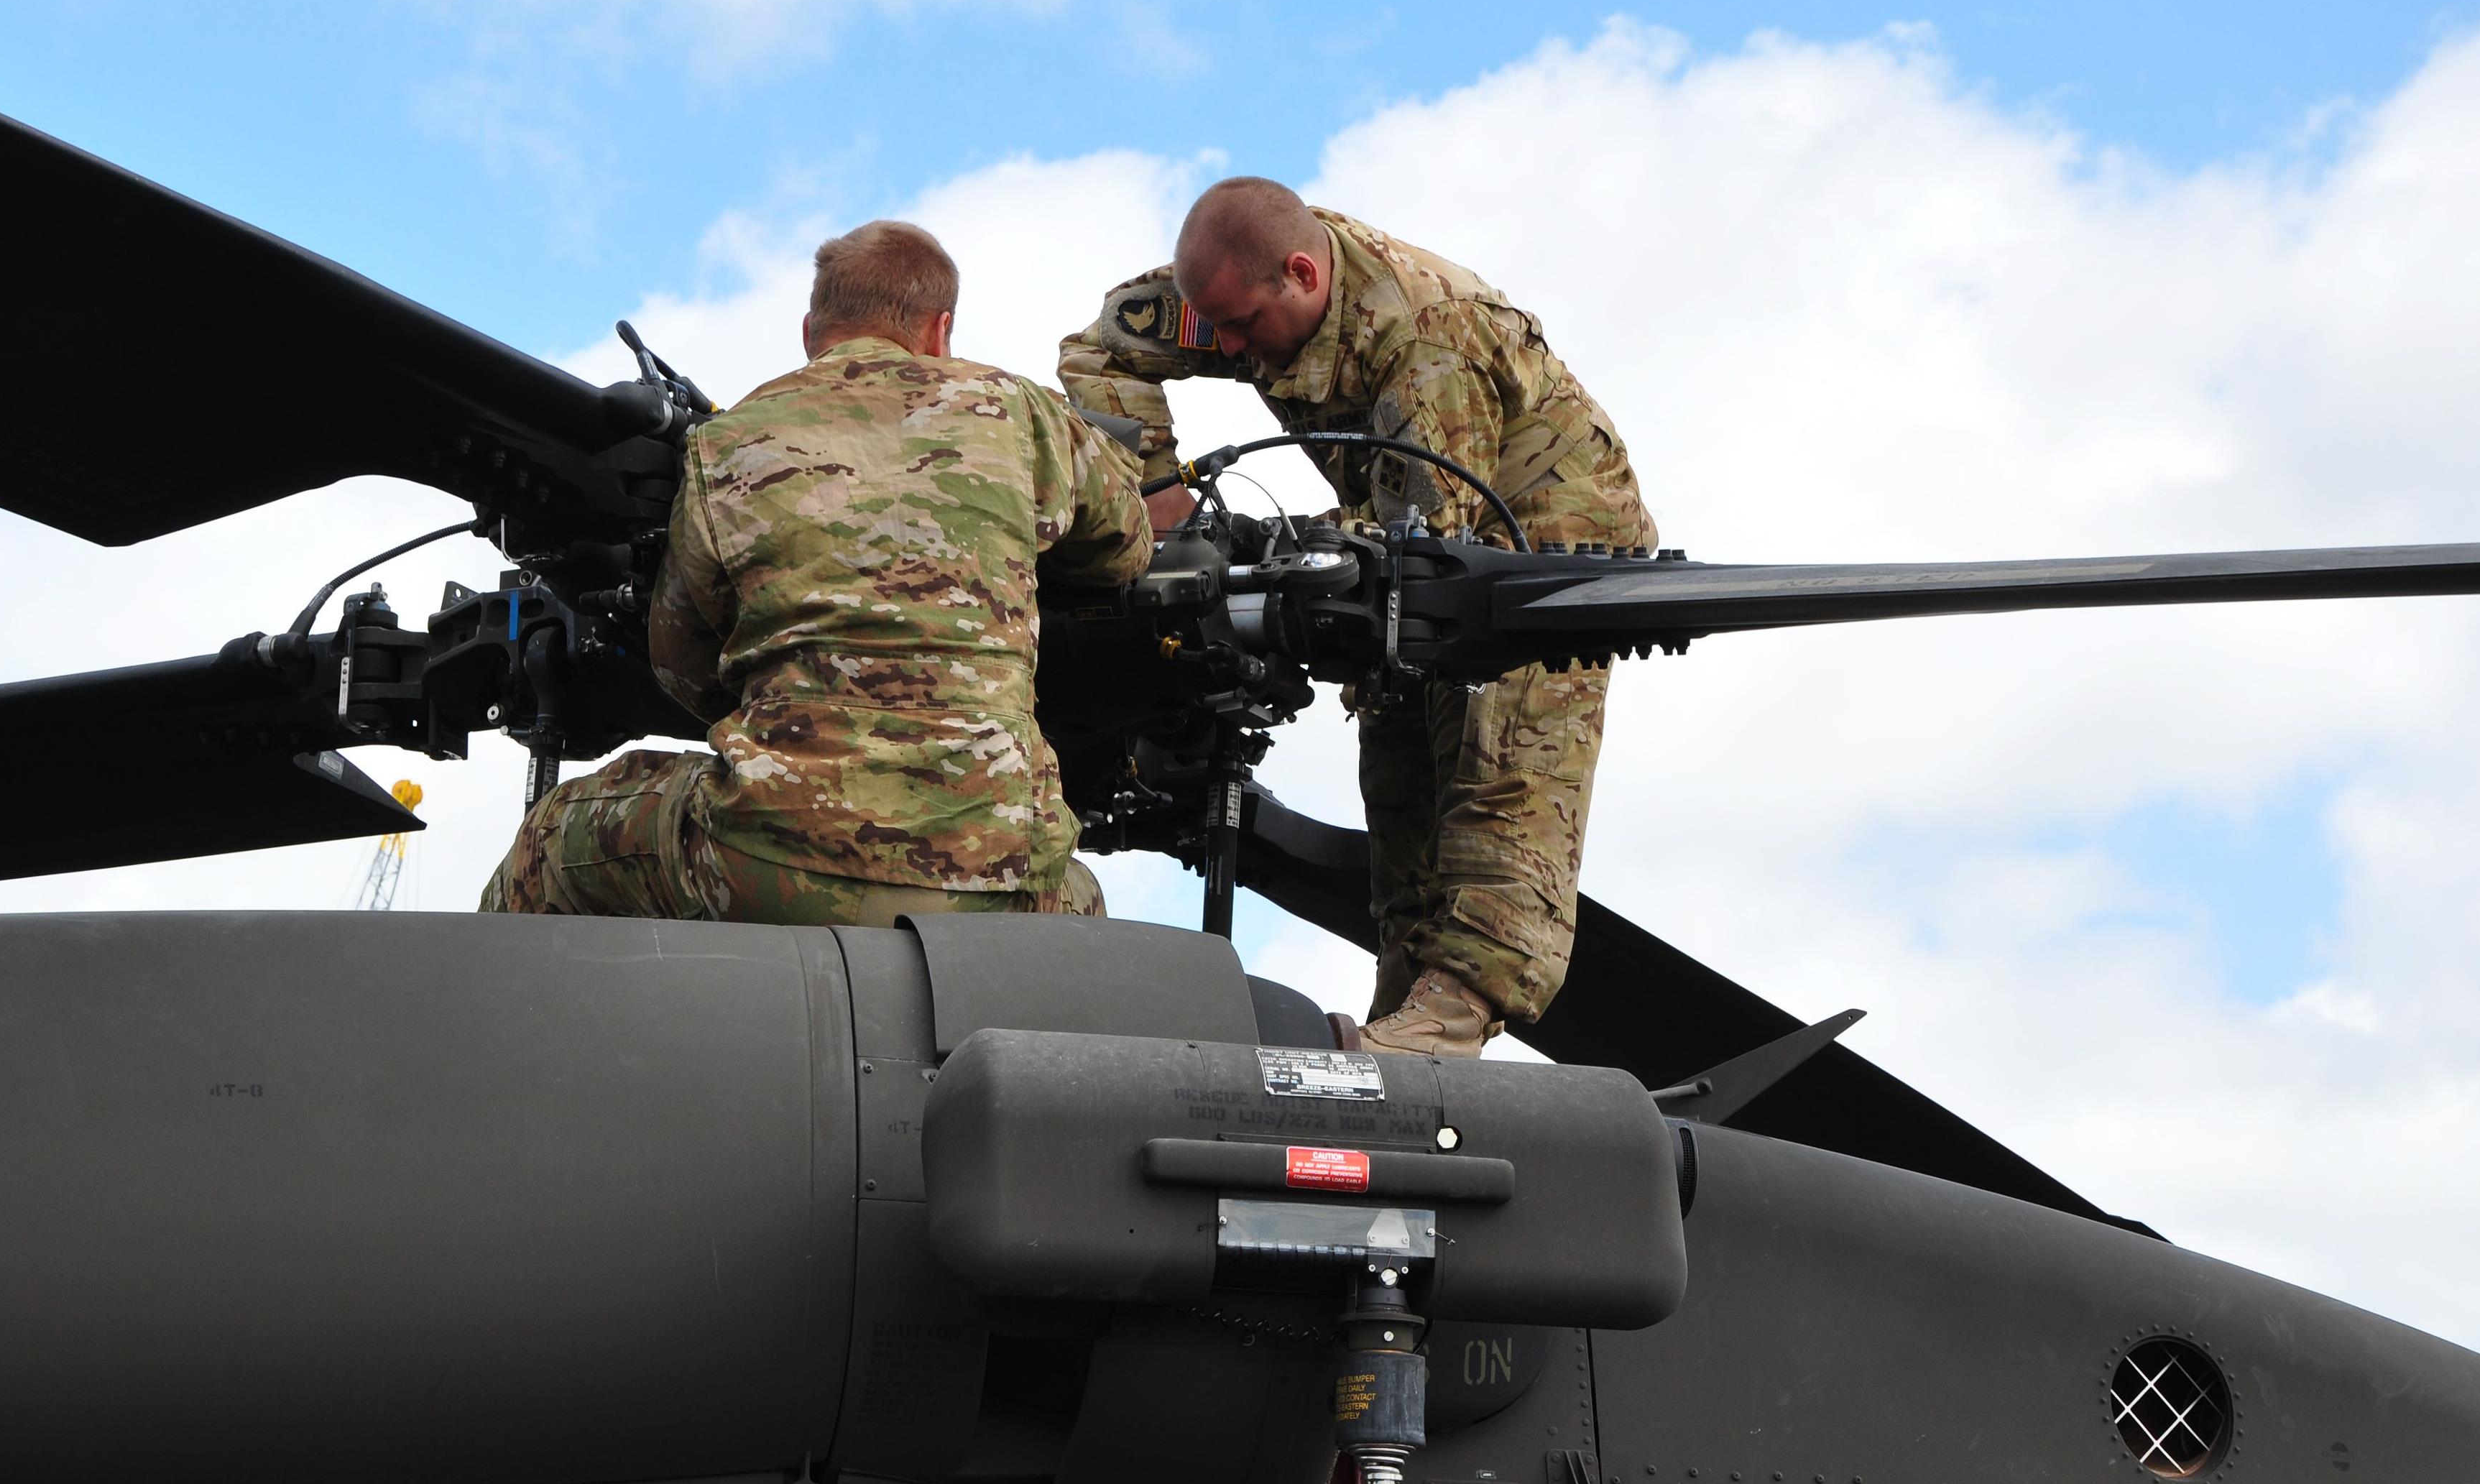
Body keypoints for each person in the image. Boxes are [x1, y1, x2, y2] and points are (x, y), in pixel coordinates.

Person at [1059, 178, 1655, 1056]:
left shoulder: (1427, 336)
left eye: (1243, 327)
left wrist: (1262, 547)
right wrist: (1157, 498)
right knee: (1397, 766)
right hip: (1407, 527)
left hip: (1538, 546)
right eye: (1216, 328)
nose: (1231, 349)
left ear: (1302, 275)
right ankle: (1402, 1005)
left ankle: (1457, 1012)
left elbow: (1425, 531)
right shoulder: (1239, 293)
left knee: (1497, 765)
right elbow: (1099, 351)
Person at [481, 220, 1154, 926]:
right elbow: (1127, 547)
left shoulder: (725, 442)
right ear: (940, 330)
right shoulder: (1019, 410)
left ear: (811, 332)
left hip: (774, 862)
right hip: (1004, 883)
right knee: (1082, 897)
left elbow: (681, 664)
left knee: (552, 839)